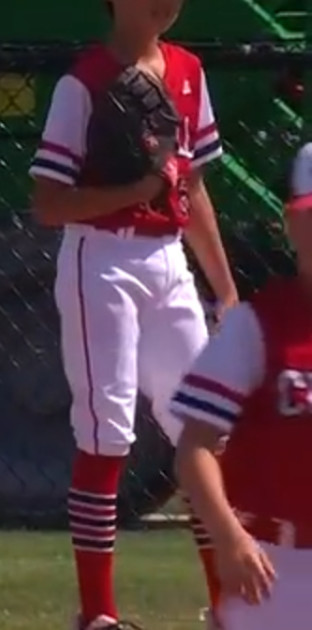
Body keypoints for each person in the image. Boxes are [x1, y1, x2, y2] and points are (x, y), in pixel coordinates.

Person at [28, 0, 238, 627]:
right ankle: (98, 616)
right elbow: (48, 204)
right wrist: (135, 192)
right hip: (102, 260)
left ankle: (228, 608)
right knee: (107, 431)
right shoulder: (83, 82)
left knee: (204, 430)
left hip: (169, 261)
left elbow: (192, 188)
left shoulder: (188, 71)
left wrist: (224, 290)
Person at [172, 143, 312, 630]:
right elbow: (195, 446)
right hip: (276, 563)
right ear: (294, 227)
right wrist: (228, 537)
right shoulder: (259, 324)